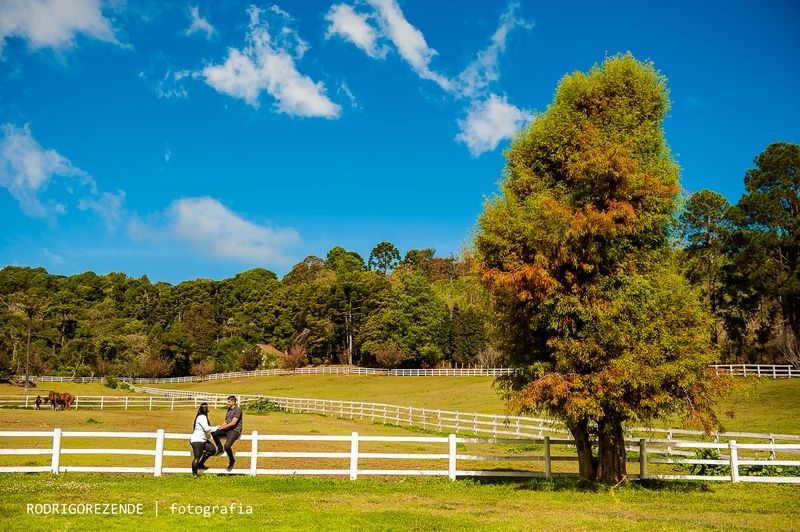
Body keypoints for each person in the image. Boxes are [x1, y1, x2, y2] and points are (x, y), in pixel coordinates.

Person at [211, 395, 243, 471]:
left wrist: (222, 428)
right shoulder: (229, 410)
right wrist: (219, 426)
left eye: (228, 402)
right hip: (227, 430)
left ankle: (232, 460)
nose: (227, 403)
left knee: (227, 446)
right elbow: (226, 421)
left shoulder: (238, 410)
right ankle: (219, 448)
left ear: (233, 402)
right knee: (214, 433)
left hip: (235, 431)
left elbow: (233, 423)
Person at [190, 402, 218, 477]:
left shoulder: (202, 417)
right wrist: (217, 427)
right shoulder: (202, 417)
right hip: (197, 440)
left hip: (202, 440)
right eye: (206, 408)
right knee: (197, 457)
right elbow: (206, 428)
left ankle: (201, 464)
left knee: (212, 449)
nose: (207, 409)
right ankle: (194, 475)